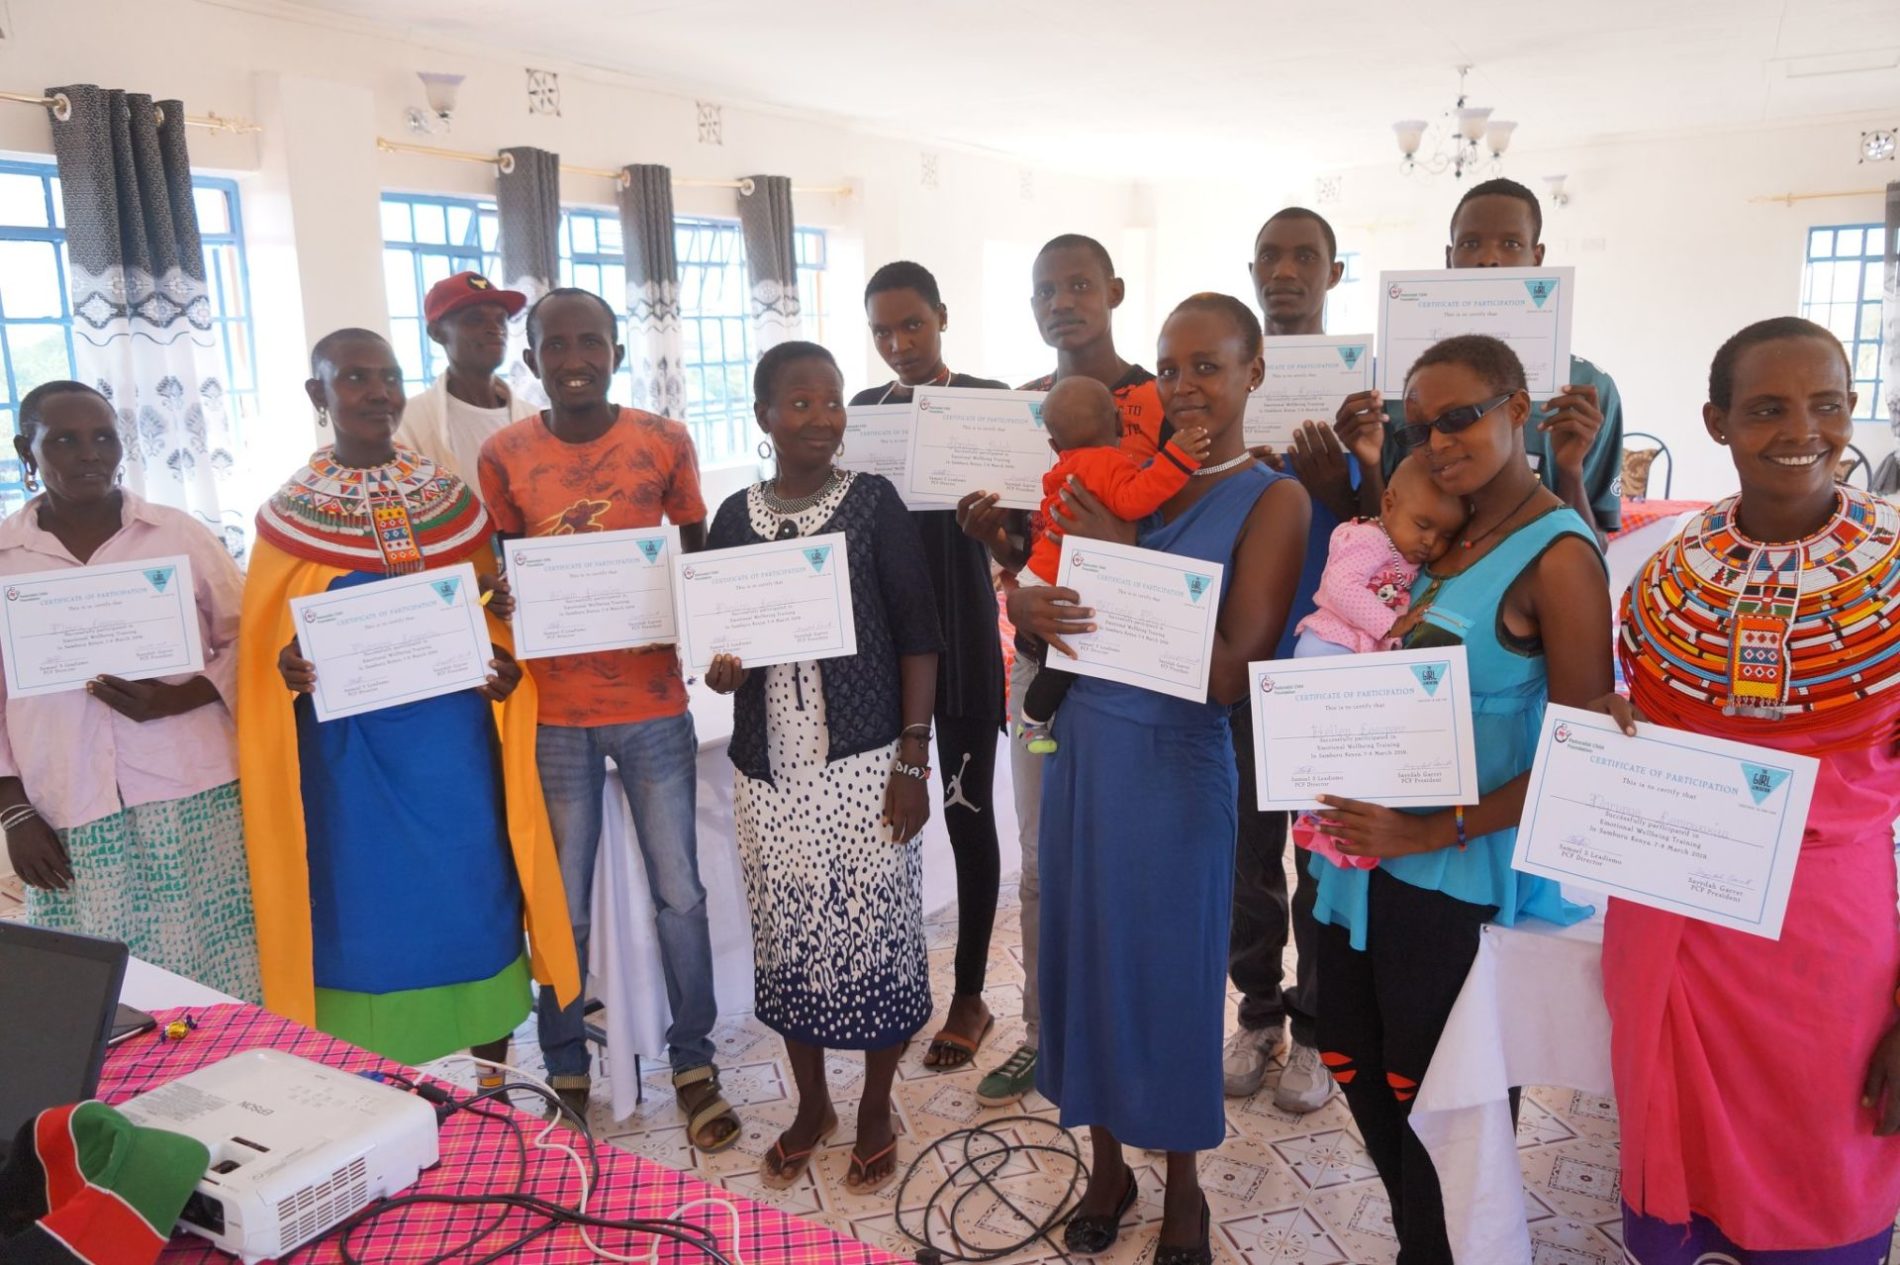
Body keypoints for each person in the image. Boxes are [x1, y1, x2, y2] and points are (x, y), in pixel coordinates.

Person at [1010, 293, 1308, 1263]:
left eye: (1209, 366)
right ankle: (1106, 1162)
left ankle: (1183, 1186)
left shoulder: (1272, 497)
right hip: (1088, 745)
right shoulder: (1124, 474)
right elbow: (1052, 600)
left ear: (1253, 371)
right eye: (1171, 368)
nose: (1185, 387)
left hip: (1178, 766)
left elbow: (1229, 669)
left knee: (1170, 976)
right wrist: (1034, 606)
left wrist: (1125, 559)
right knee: (1080, 958)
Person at [1601, 317, 1900, 1263]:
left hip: (1827, 945)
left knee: (1825, 1166)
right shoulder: (1661, 574)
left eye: (1828, 405)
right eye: (1767, 408)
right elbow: (1638, 736)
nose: (1800, 430)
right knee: (1681, 1172)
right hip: (1675, 926)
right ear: (1717, 421)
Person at [1307, 334, 1609, 1263]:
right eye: (1421, 424)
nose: (1438, 439)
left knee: (1439, 1091)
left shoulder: (1557, 554)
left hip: (1450, 868)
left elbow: (1585, 753)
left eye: (1461, 416)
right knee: (1349, 1052)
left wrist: (1430, 825)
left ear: (1519, 407)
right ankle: (1423, 1241)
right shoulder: (1436, 528)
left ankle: (1441, 1246)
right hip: (1354, 856)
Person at [237, 329, 579, 1068]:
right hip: (346, 770)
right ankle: (372, 1097)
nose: (377, 393)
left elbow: (491, 609)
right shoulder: (289, 517)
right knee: (365, 915)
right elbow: (262, 653)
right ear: (317, 394)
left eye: (388, 377)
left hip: (450, 751)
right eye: (354, 378)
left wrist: (504, 662)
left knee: (473, 897)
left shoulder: (446, 498)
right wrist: (285, 666)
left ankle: (494, 1081)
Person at [477, 287, 736, 1146]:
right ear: (533, 361)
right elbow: (495, 572)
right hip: (552, 714)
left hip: (655, 703)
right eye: (557, 345)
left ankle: (693, 1061)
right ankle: (566, 1067)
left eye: (593, 341)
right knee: (561, 904)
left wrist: (703, 629)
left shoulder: (664, 440)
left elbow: (695, 559)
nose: (576, 357)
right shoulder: (504, 453)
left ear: (619, 352)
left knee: (682, 895)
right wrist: (501, 594)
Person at [704, 341, 941, 1194]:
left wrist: (914, 757)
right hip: (770, 776)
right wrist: (724, 668)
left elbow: (919, 634)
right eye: (800, 403)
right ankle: (813, 1106)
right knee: (791, 940)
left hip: (868, 765)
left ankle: (874, 1104)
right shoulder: (732, 517)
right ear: (764, 415)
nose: (822, 418)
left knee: (875, 939)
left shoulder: (875, 503)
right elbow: (722, 643)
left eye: (833, 401)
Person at [957, 232, 1165, 1108]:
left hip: (1136, 676)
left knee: (1134, 857)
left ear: (1113, 290)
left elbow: (1165, 535)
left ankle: (1139, 1036)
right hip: (1041, 676)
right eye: (1046, 289)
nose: (1062, 302)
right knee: (1041, 857)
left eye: (1079, 284)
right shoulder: (1022, 407)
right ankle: (1045, 1035)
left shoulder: (1160, 400)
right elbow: (1020, 544)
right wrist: (990, 545)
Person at [0, 381, 258, 1001]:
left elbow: (249, 638)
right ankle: (124, 1095)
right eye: (63, 439)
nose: (89, 453)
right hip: (67, 801)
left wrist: (184, 695)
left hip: (194, 789)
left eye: (103, 437)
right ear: (26, 451)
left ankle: (236, 1087)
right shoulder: (6, 558)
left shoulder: (178, 536)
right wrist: (12, 810)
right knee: (100, 987)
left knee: (221, 967)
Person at [849, 261, 1007, 1073]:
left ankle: (971, 993)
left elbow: (1024, 522)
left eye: (912, 324)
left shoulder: (987, 401)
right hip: (888, 652)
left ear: (942, 316)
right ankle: (895, 986)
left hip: (967, 645)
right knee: (890, 822)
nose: (899, 343)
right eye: (882, 330)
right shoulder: (863, 417)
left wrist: (995, 522)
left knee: (967, 815)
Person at [1226, 205, 1361, 1108]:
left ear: (1333, 273)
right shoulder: (1218, 391)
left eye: (1303, 256)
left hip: (1323, 676)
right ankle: (1258, 1015)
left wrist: (1331, 483)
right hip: (1239, 664)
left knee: (1317, 858)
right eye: (1270, 255)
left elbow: (1396, 538)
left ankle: (1316, 1030)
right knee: (1245, 853)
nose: (1286, 270)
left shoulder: (1365, 400)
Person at [1339, 178, 1626, 540]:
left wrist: (1569, 472)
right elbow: (1376, 524)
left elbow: (1595, 545)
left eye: (1511, 243)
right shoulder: (1394, 381)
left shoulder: (1586, 388)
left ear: (1536, 258)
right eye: (1471, 243)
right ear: (1449, 257)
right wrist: (1368, 466)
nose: (1488, 259)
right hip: (1415, 590)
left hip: (1530, 589)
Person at [1016, 377, 1207, 751]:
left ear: (1055, 446)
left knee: (1055, 662)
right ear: (1120, 424)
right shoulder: (1107, 463)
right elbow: (1134, 500)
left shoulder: (1066, 468)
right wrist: (1177, 458)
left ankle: (1036, 719)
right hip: (1057, 584)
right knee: (1062, 664)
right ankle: (1032, 722)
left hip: (1038, 577)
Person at [1292, 455, 1467, 657]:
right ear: (1389, 505)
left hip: (1361, 647)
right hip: (1332, 641)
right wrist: (1392, 624)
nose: (1430, 541)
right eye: (1422, 525)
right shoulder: (1369, 537)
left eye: (1446, 536)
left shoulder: (1408, 553)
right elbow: (1342, 586)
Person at [393, 271, 539, 488]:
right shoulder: (410, 423)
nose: (495, 329)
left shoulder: (534, 419)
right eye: (475, 319)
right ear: (436, 333)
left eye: (501, 319)